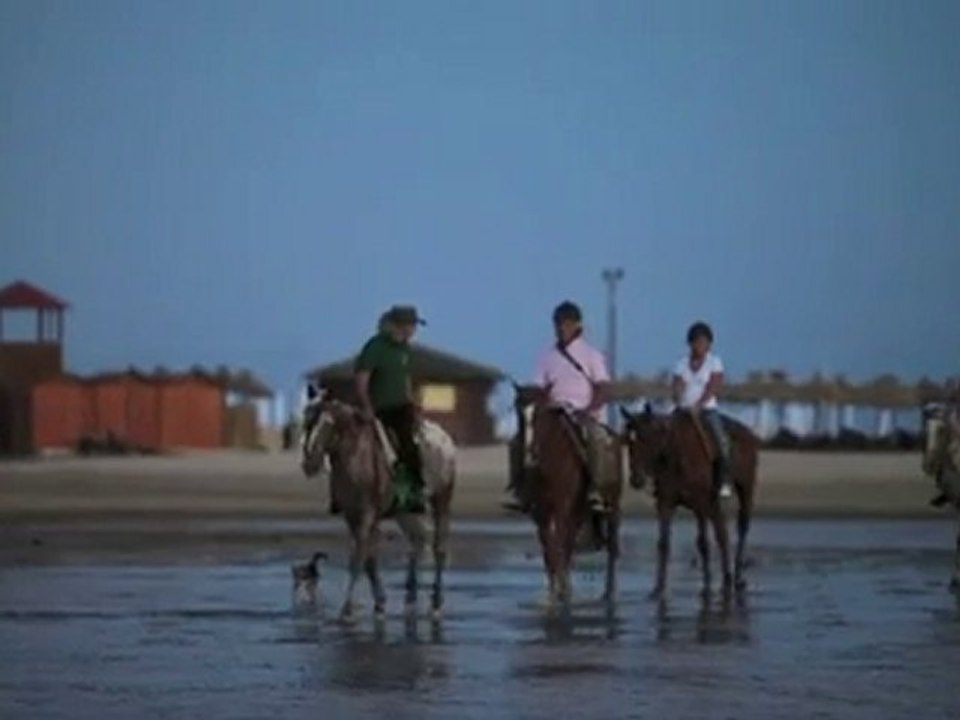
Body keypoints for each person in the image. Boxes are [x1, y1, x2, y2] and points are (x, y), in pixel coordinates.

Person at [503, 300, 613, 513]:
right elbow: (539, 386)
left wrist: (589, 409)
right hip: (554, 410)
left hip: (582, 412)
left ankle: (595, 489)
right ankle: (520, 487)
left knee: (596, 439)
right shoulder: (547, 357)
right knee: (519, 440)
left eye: (567, 324)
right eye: (559, 324)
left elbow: (603, 388)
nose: (562, 328)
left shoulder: (591, 355)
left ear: (577, 326)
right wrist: (527, 393)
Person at [354, 305, 426, 513]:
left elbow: (405, 380)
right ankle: (341, 496)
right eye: (411, 325)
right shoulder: (375, 347)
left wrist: (413, 402)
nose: (413, 331)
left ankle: (412, 494)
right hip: (379, 408)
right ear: (397, 325)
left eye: (414, 326)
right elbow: (362, 380)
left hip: (402, 407)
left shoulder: (405, 349)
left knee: (412, 448)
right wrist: (366, 407)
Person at [672, 321, 733, 499]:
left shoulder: (714, 362)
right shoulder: (681, 364)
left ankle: (724, 480)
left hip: (707, 410)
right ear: (690, 344)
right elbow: (678, 384)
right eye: (697, 342)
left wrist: (699, 405)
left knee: (722, 441)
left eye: (704, 342)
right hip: (684, 410)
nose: (700, 346)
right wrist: (678, 397)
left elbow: (713, 386)